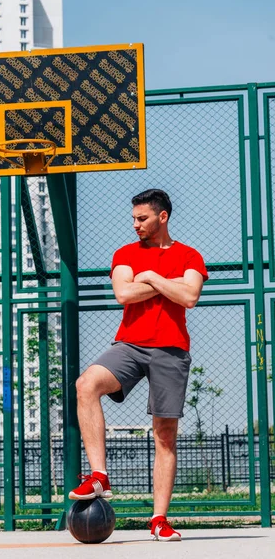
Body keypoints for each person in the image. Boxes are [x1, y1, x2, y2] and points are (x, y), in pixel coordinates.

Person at [69, 189, 208, 542]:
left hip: (172, 350)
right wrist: (167, 285)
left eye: (142, 218)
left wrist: (148, 278)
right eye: (133, 218)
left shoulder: (190, 255)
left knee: (165, 434)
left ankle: (159, 519)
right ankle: (99, 474)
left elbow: (190, 296)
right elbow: (124, 294)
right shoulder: (126, 254)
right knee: (86, 385)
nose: (136, 225)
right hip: (129, 344)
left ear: (162, 217)